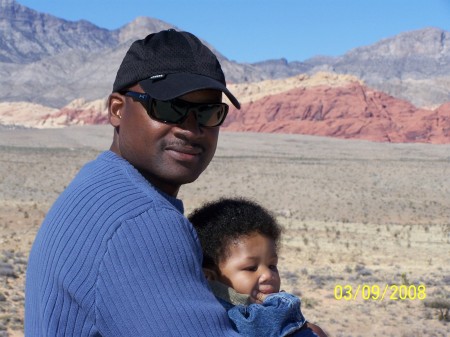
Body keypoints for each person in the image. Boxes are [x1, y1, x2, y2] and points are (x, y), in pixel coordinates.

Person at [25, 29, 242, 336]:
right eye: (168, 107)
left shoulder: (98, 184)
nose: (190, 129)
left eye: (208, 113)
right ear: (117, 109)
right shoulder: (141, 221)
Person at [188, 197, 328, 337]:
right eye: (251, 268)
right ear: (209, 277)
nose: (268, 275)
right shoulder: (223, 319)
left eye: (272, 266)